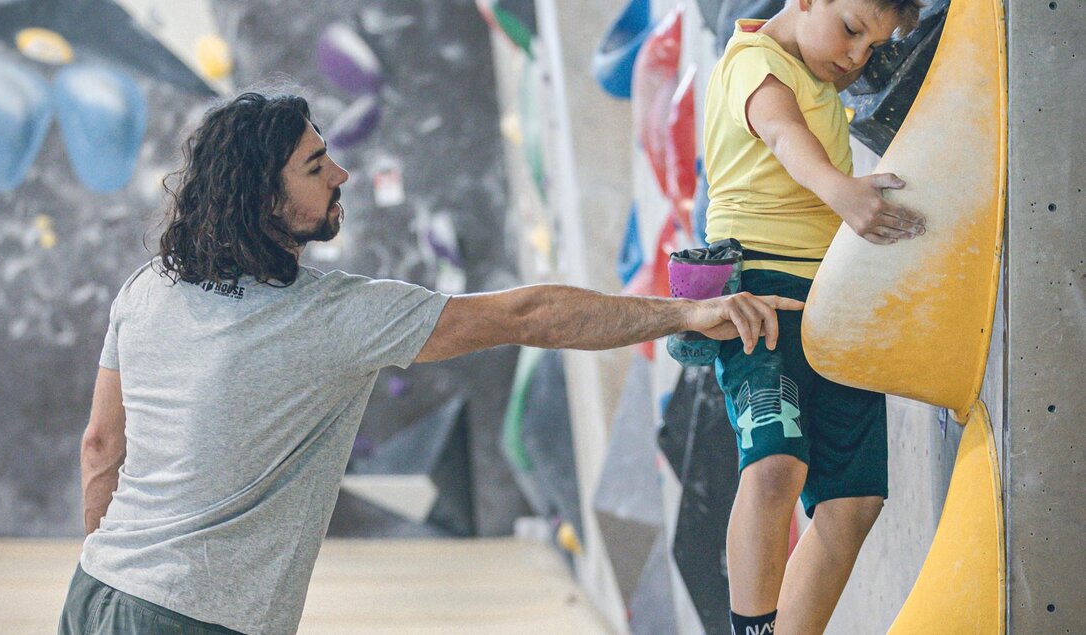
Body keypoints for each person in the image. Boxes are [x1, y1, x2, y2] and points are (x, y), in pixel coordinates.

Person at [58, 91, 800, 635]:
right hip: (195, 619)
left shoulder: (149, 290)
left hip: (94, 591)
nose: (341, 174)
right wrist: (681, 312)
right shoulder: (332, 317)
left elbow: (100, 446)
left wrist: (115, 561)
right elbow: (526, 315)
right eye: (316, 165)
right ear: (264, 199)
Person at [698, 0, 926, 633]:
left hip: (833, 299)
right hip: (760, 292)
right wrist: (842, 190)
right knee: (774, 465)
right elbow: (781, 134)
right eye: (852, 30)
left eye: (873, 48)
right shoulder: (756, 62)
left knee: (854, 504)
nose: (857, 57)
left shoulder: (821, 78)